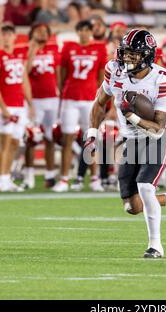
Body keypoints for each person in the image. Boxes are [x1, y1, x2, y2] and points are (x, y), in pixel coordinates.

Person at [85, 29, 166, 258]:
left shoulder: (162, 79)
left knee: (145, 187)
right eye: (126, 53)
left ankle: (155, 246)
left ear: (148, 55)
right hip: (130, 140)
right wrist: (92, 134)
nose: (128, 58)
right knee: (133, 206)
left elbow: (158, 127)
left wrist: (131, 115)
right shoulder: (114, 70)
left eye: (134, 54)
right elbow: (99, 102)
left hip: (155, 138)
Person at [53, 20, 107, 192]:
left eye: (87, 30)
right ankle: (63, 179)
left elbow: (101, 78)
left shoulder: (99, 48)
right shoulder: (69, 47)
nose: (84, 33)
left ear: (91, 31)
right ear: (77, 32)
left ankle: (94, 178)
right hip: (71, 98)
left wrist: (99, 100)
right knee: (67, 139)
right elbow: (61, 74)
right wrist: (65, 91)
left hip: (89, 99)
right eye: (81, 30)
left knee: (91, 139)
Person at [0, 23, 35, 192]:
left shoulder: (18, 55)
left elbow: (24, 81)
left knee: (15, 143)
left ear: (15, 37)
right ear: (0, 37)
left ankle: (7, 177)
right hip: (5, 105)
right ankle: (1, 179)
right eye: (4, 35)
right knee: (4, 143)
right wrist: (3, 109)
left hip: (19, 105)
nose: (7, 38)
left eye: (10, 34)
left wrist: (29, 103)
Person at [22, 23, 60, 189]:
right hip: (35, 100)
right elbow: (25, 72)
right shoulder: (25, 50)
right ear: (31, 33)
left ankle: (50, 175)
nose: (42, 33)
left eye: (45, 31)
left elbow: (58, 74)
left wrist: (60, 96)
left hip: (52, 98)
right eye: (38, 31)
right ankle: (28, 175)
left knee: (50, 137)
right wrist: (32, 51)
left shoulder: (53, 49)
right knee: (32, 138)